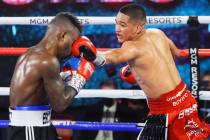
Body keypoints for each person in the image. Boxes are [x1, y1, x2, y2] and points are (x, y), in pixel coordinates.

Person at [92, 3, 210, 140]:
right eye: (116, 23)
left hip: (165, 111)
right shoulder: (158, 33)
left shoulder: (131, 47)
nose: (117, 29)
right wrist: (139, 68)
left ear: (138, 27)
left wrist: (93, 55)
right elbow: (176, 53)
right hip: (185, 99)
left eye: (123, 25)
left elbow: (113, 56)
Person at [9, 12, 96, 140]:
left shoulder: (33, 53)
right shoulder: (47, 61)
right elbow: (60, 105)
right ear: (62, 36)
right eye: (72, 42)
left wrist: (63, 76)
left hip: (37, 125)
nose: (73, 49)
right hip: (29, 129)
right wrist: (80, 78)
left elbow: (39, 89)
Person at [74, 80, 141, 140]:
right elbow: (83, 135)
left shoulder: (127, 112)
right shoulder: (92, 110)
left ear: (117, 94)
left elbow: (132, 136)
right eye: (104, 94)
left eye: (109, 94)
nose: (107, 97)